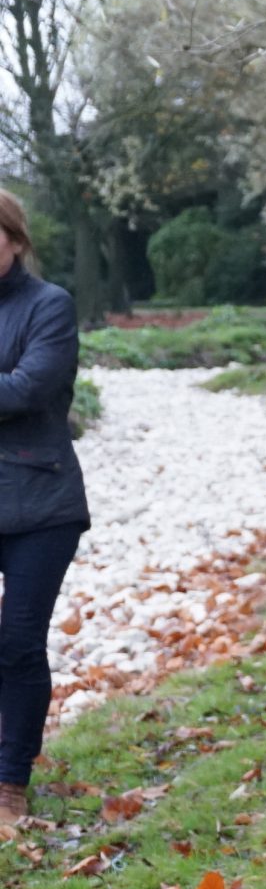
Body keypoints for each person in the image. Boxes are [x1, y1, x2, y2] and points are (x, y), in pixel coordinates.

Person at [0, 189, 87, 830]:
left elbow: (29, 389)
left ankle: (9, 788)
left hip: (41, 504)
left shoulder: (49, 306)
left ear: (15, 241)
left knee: (18, 645)